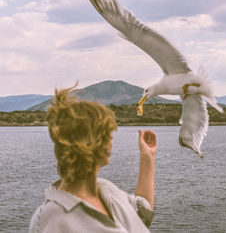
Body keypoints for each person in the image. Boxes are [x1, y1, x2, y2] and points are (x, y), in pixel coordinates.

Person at [29, 84, 157, 232]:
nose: (112, 141)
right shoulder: (50, 220)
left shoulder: (106, 190)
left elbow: (143, 213)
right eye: (108, 134)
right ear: (93, 142)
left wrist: (147, 156)